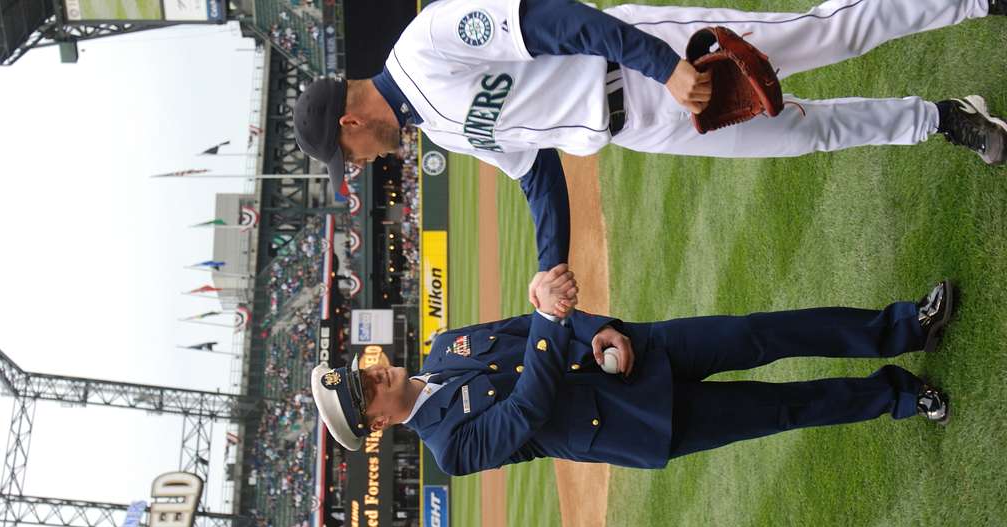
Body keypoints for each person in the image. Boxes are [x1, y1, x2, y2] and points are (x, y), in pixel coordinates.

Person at [293, 0, 1007, 302]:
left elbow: (554, 18)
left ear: (349, 124)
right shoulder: (436, 129)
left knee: (825, 35)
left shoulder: (425, 43)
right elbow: (536, 168)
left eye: (347, 157)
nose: (359, 166)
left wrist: (663, 66)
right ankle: (944, 119)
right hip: (636, 126)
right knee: (801, 133)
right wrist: (551, 266)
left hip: (640, 61)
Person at [311, 266, 954, 476]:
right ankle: (900, 397)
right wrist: (552, 318)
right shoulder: (450, 447)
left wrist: (600, 328)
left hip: (638, 352)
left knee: (765, 332)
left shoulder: (444, 345)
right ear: (374, 423)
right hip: (632, 420)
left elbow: (529, 322)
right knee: (782, 409)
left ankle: (908, 327)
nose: (374, 375)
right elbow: (527, 409)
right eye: (365, 390)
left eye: (362, 368)